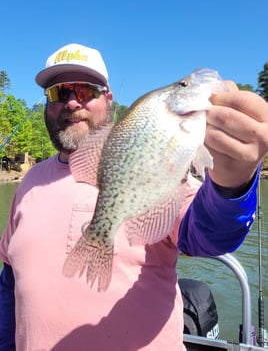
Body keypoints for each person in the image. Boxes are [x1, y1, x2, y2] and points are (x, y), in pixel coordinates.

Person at [0, 43, 267, 351]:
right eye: (58, 92)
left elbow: (207, 236)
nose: (72, 102)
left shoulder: (157, 164)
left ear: (108, 99)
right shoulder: (29, 182)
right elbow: (10, 283)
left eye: (85, 91)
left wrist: (231, 183)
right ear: (47, 103)